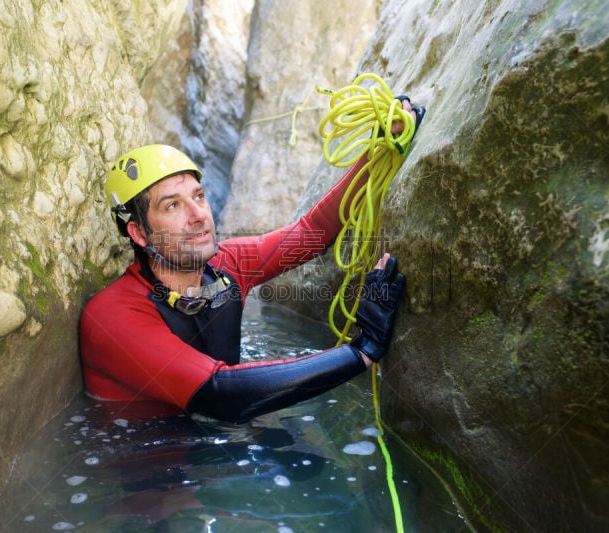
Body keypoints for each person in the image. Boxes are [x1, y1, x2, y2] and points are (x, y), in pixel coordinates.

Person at [80, 100, 423, 423]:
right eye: (173, 206)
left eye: (198, 196)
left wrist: (378, 150)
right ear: (139, 233)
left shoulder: (230, 265)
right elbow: (220, 393)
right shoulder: (111, 316)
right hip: (156, 473)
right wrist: (360, 352)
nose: (199, 214)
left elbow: (313, 233)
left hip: (219, 441)